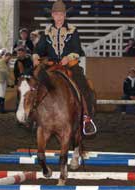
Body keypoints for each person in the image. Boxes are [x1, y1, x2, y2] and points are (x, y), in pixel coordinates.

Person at [32, 0, 96, 132]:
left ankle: (86, 118)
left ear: (65, 15)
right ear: (52, 15)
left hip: (70, 65)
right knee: (33, 82)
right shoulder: (47, 31)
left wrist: (69, 57)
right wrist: (35, 55)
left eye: (61, 14)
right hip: (52, 65)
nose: (59, 17)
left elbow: (77, 49)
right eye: (56, 14)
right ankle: (33, 114)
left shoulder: (73, 30)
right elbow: (40, 48)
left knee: (82, 84)